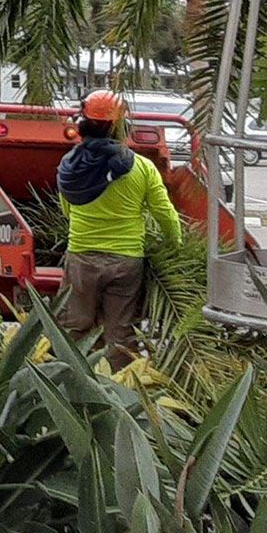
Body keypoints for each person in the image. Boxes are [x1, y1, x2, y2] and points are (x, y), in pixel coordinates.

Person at [55, 89, 181, 365]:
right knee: (120, 334)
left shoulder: (69, 166)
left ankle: (71, 383)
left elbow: (67, 210)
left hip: (81, 258)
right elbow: (165, 213)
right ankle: (119, 390)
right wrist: (175, 246)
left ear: (82, 123)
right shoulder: (143, 168)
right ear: (120, 126)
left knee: (75, 328)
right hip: (126, 263)